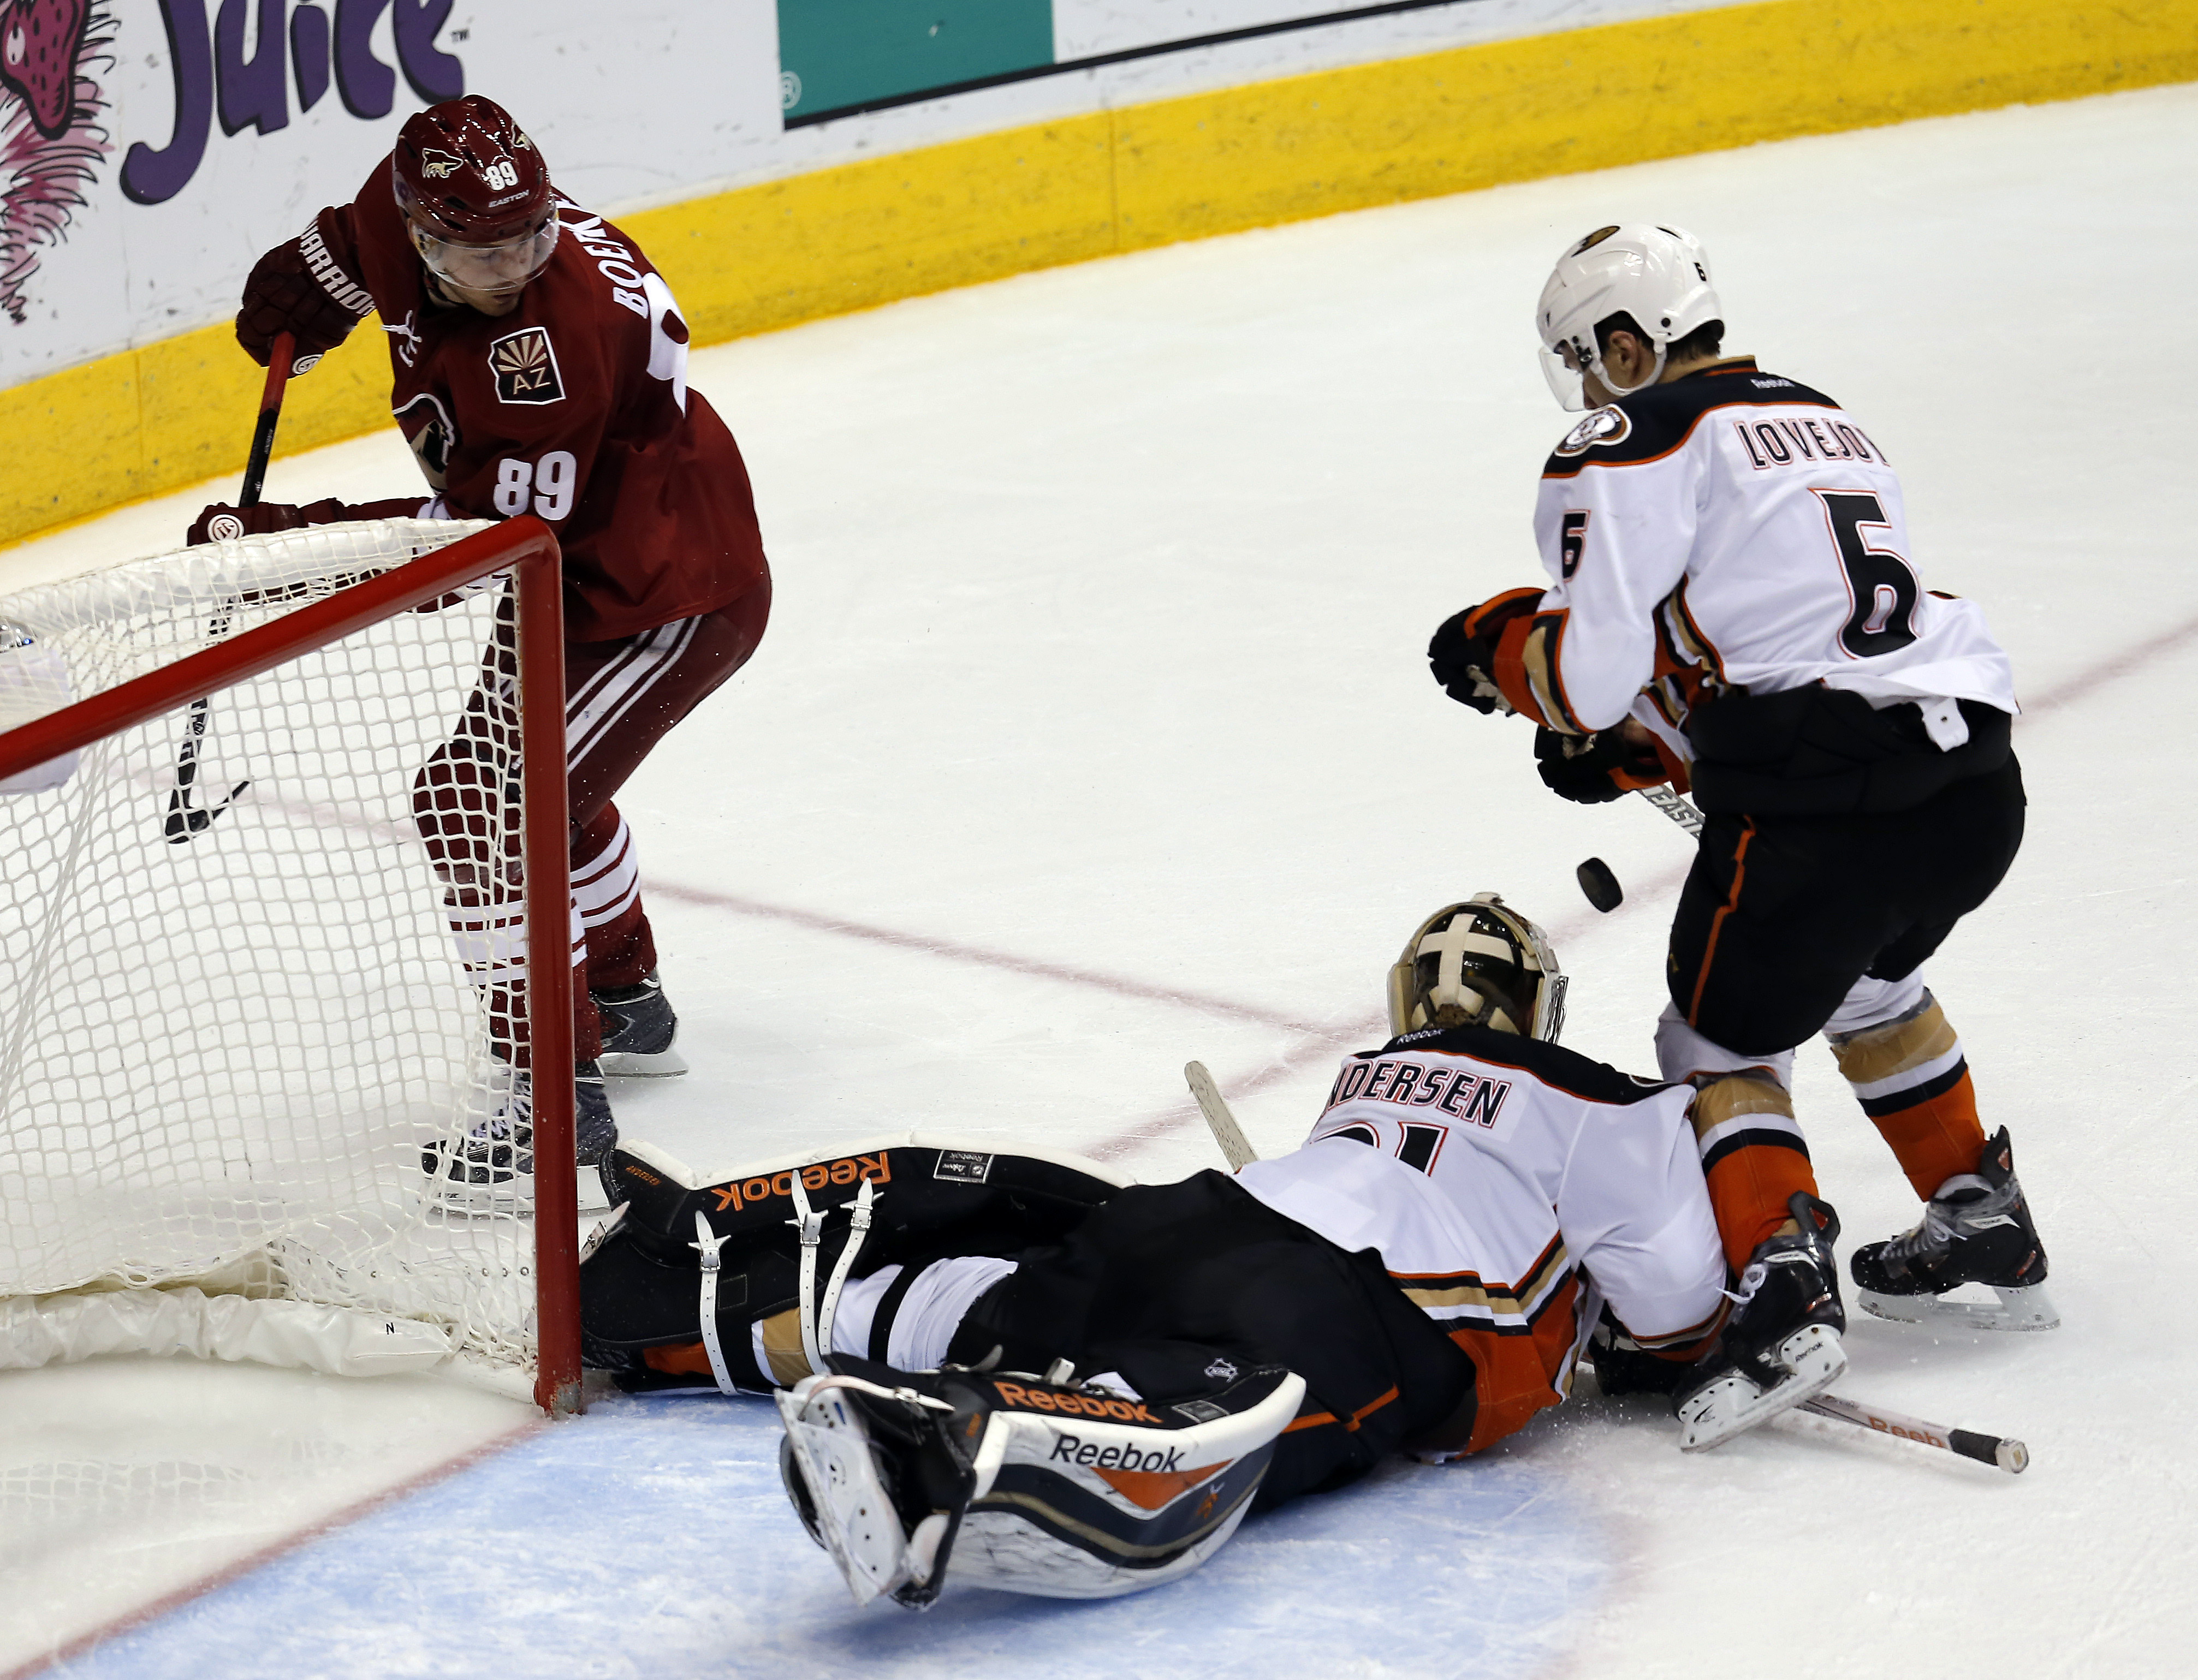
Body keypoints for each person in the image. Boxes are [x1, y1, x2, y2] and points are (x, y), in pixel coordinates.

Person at [577, 895, 1844, 1609]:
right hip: (1359, 1307)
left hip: (1187, 1218)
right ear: (1541, 1010)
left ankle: (678, 1325)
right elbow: (1676, 1313)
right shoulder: (1610, 1104)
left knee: (991, 1301)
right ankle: (939, 1447)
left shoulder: (1370, 1074)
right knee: (1191, 1420)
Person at [1425, 225, 2053, 1334]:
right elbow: (1779, 642)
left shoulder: (1630, 437)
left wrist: (1499, 651)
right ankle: (1981, 1215)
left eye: (1585, 357)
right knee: (1865, 985)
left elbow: (1584, 677)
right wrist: (1641, 742)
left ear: (1628, 346)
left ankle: (1780, 1288)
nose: (1585, 385)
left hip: (1829, 805)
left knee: (1716, 1041)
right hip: (1972, 785)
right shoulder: (1824, 417)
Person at [185, 96, 772, 1193]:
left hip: (661, 594)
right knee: (542, 791)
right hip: (581, 577)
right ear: (423, 232)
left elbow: (475, 546)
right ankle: (627, 1003)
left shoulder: (547, 356)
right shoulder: (412, 207)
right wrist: (315, 276)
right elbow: (356, 235)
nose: (512, 265)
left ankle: (552, 1092)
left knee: (479, 807)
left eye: (531, 238)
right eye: (483, 249)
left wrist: (287, 545)